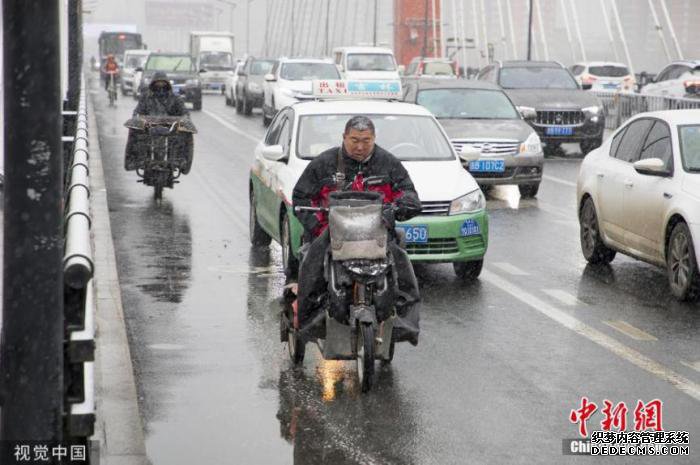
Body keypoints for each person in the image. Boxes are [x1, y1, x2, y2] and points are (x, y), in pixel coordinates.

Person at [291, 115, 422, 344]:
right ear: (344, 138)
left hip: (376, 236)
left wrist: (397, 209)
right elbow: (301, 197)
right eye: (354, 140)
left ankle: (404, 322)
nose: (360, 146)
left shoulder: (389, 163)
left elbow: (409, 195)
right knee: (311, 265)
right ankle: (308, 321)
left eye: (366, 140)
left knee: (402, 264)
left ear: (374, 139)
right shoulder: (324, 163)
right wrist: (321, 225)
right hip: (333, 234)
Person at [124, 72, 193, 173]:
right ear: (153, 84)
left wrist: (183, 120)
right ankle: (135, 160)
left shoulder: (175, 98)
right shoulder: (146, 97)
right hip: (149, 126)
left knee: (185, 133)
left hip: (170, 127)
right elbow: (138, 111)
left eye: (162, 83)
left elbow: (185, 112)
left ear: (167, 84)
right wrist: (137, 119)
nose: (160, 86)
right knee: (134, 131)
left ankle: (182, 161)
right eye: (158, 83)